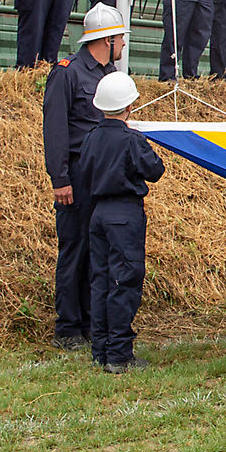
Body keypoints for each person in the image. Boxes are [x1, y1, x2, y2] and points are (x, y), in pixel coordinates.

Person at [41, 3, 128, 350]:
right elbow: (55, 130)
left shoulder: (110, 75)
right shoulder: (68, 73)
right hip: (76, 174)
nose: (123, 44)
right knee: (74, 249)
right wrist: (60, 179)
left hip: (101, 175)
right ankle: (68, 327)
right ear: (107, 40)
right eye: (120, 38)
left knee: (97, 251)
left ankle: (92, 322)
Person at [79, 71, 165, 373]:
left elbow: (84, 172)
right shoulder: (132, 140)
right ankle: (119, 354)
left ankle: (101, 350)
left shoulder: (90, 137)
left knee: (101, 281)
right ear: (129, 106)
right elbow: (155, 170)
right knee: (124, 281)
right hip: (124, 214)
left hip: (98, 213)